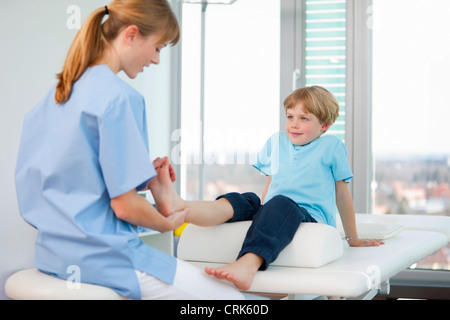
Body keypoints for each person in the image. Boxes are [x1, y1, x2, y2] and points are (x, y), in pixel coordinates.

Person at [15, 0, 244, 300]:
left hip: (53, 257)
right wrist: (167, 222)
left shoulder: (54, 98)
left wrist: (141, 174)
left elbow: (70, 176)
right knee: (236, 303)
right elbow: (124, 206)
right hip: (109, 258)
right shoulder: (119, 98)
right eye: (159, 47)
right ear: (132, 34)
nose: (158, 60)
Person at [150, 85, 384, 291]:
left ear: (324, 124)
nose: (294, 124)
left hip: (309, 216)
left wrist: (352, 238)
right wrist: (261, 209)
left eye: (304, 118)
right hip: (275, 207)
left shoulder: (331, 146)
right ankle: (179, 206)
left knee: (281, 202)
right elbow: (272, 182)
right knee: (247, 199)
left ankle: (247, 265)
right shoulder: (276, 141)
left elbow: (342, 196)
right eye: (290, 116)